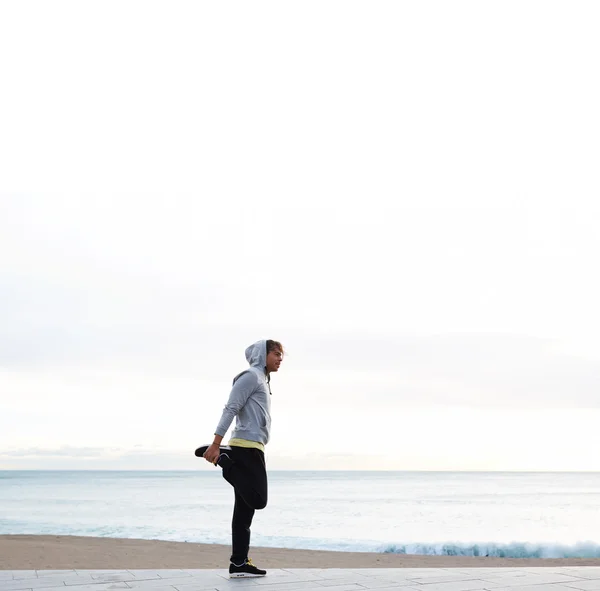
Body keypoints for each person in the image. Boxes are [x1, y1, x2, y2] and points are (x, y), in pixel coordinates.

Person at [194, 339, 284, 578]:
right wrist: (215, 445)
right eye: (276, 353)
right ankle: (223, 459)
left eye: (282, 355)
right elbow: (230, 408)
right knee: (258, 500)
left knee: (244, 513)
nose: (280, 358)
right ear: (263, 354)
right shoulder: (251, 377)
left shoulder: (262, 381)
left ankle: (239, 563)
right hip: (244, 448)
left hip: (254, 446)